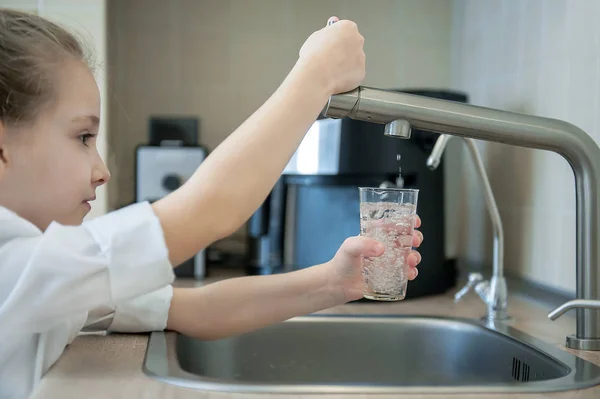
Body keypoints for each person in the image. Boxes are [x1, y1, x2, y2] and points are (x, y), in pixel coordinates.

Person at [0, 9, 424, 398]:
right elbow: (211, 209)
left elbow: (194, 309)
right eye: (82, 137)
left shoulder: (39, 273)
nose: (101, 170)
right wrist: (315, 76)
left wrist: (336, 282)